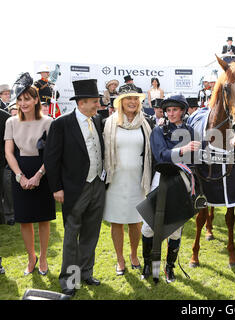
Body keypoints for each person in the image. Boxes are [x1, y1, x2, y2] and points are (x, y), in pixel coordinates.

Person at [44, 79, 106, 297]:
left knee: (91, 231)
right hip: (73, 188)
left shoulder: (97, 121)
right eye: (94, 102)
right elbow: (51, 159)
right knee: (72, 235)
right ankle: (70, 279)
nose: (97, 106)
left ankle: (86, 273)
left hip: (97, 184)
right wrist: (57, 188)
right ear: (81, 102)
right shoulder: (61, 124)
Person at [141, 94, 200, 283]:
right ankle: (148, 264)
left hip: (182, 181)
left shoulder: (191, 130)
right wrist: (183, 150)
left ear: (183, 111)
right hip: (162, 179)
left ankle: (169, 267)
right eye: (168, 110)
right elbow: (161, 155)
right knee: (148, 226)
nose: (171, 113)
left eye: (175, 110)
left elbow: (197, 157)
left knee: (176, 228)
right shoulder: (159, 131)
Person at [4, 73, 55, 276]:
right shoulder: (11, 122)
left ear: (36, 100)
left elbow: (51, 154)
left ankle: (43, 259)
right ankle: (31, 258)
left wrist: (38, 176)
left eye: (27, 99)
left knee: (43, 219)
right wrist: (20, 177)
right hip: (20, 171)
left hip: (43, 170)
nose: (23, 103)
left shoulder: (48, 122)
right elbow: (9, 152)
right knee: (25, 220)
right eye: (20, 99)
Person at [102, 84, 151, 275]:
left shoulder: (146, 124)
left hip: (138, 180)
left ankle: (133, 255)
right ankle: (120, 259)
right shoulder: (109, 123)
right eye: (128, 98)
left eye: (135, 98)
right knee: (116, 221)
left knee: (135, 221)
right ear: (120, 102)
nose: (132, 102)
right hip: (115, 181)